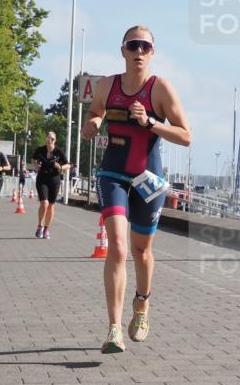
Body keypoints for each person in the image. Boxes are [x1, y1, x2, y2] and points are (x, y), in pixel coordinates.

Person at [81, 25, 191, 354]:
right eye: (133, 46)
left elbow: (186, 135)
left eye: (145, 46)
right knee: (117, 247)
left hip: (148, 179)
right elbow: (96, 110)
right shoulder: (106, 85)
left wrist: (151, 123)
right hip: (112, 173)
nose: (139, 52)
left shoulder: (161, 90)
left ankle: (141, 306)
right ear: (123, 50)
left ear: (152, 52)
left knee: (141, 251)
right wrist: (93, 123)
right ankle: (113, 329)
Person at [31, 132, 71, 239]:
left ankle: (46, 229)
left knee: (51, 205)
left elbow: (69, 165)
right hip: (42, 178)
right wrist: (36, 166)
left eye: (52, 139)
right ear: (46, 139)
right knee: (44, 203)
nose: (50, 141)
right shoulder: (40, 150)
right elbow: (33, 159)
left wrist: (61, 167)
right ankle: (40, 226)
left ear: (55, 141)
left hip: (54, 179)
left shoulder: (59, 152)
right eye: (48, 138)